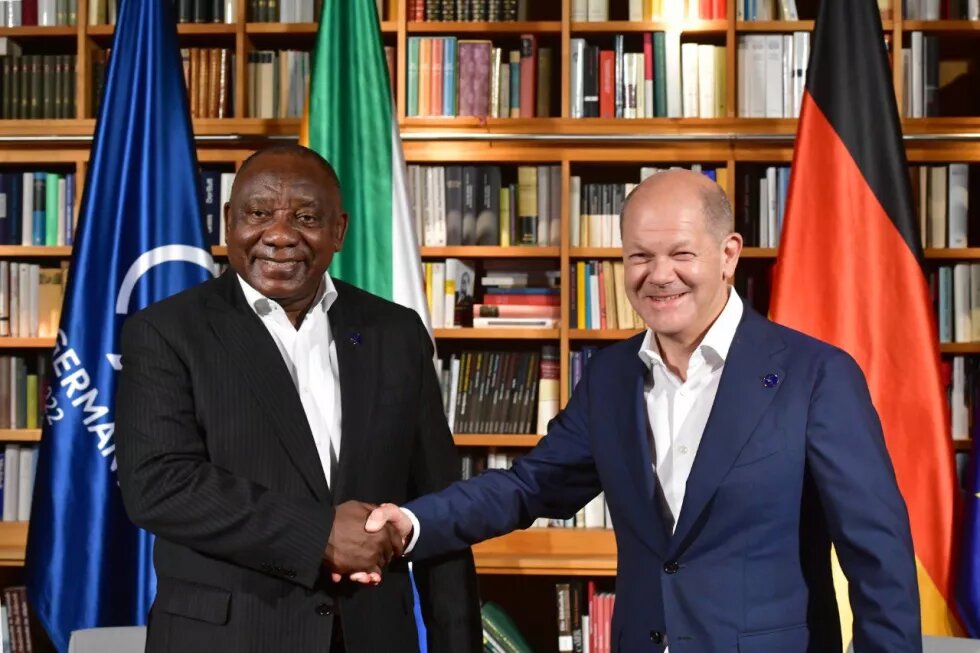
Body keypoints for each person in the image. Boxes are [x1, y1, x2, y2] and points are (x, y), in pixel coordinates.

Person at [362, 169, 922, 652]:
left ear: (728, 254)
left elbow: (878, 555)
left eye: (681, 253)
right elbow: (529, 487)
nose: (659, 275)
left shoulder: (816, 375)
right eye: (639, 256)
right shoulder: (609, 377)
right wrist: (411, 523)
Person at [115, 144, 482, 653]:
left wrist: (455, 642)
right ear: (228, 221)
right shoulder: (167, 331)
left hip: (373, 636)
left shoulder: (395, 332)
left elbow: (437, 506)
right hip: (226, 638)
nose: (281, 234)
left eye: (306, 216)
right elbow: (159, 484)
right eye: (259, 213)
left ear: (339, 230)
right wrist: (320, 536)